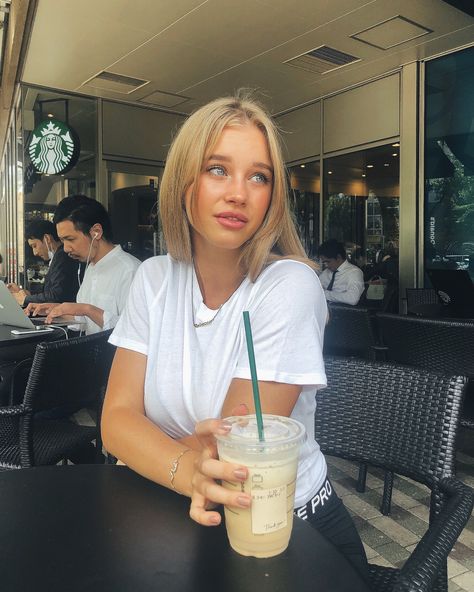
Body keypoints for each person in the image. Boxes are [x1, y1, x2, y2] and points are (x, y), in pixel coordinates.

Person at [101, 94, 369, 583]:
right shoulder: (154, 279)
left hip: (289, 534)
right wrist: (172, 459)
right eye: (217, 169)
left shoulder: (291, 286)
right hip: (180, 516)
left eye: (259, 176)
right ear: (186, 182)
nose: (239, 193)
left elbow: (233, 453)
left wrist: (148, 451)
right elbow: (115, 420)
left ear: (273, 196)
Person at [25, 195, 140, 334]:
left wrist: (87, 309)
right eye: (63, 240)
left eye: (70, 239)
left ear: (96, 232)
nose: (66, 248)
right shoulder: (90, 267)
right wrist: (56, 310)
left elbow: (133, 331)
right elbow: (85, 321)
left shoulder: (131, 271)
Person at [7, 219, 79, 306]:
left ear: (47, 239)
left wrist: (25, 299)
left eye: (34, 246)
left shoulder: (63, 257)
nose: (35, 252)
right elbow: (49, 293)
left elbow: (56, 296)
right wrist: (23, 293)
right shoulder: (57, 257)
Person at [317, 239, 365, 305]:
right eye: (324, 262)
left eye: (328, 261)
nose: (326, 265)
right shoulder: (325, 273)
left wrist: (324, 294)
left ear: (338, 257)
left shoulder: (354, 273)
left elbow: (353, 298)